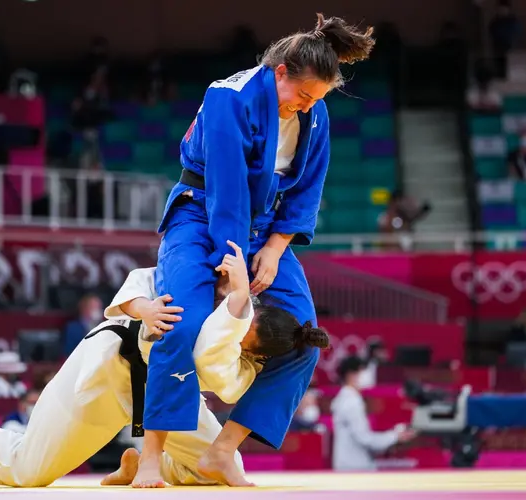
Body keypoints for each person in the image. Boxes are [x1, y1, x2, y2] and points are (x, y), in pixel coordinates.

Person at [138, 14, 374, 487]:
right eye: (303, 96)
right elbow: (227, 191)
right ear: (280, 72)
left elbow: (308, 188)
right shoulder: (228, 97)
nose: (307, 108)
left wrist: (274, 246)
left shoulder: (315, 111)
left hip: (265, 226)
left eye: (317, 101)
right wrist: (233, 270)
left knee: (302, 337)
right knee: (178, 321)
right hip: (201, 214)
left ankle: (222, 451)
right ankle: (150, 454)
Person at [0, 241, 328, 487]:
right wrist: (145, 310)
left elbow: (219, 374)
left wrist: (234, 308)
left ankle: (138, 463)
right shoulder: (200, 282)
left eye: (245, 342)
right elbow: (132, 288)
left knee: (215, 468)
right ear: (253, 305)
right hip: (108, 374)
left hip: (170, 397)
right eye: (244, 319)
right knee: (28, 471)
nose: (239, 333)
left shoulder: (241, 351)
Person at [331, 356, 416, 471]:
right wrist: (395, 436)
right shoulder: (351, 402)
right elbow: (365, 439)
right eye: (363, 371)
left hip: (351, 466)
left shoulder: (347, 399)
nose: (367, 375)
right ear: (351, 375)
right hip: (354, 469)